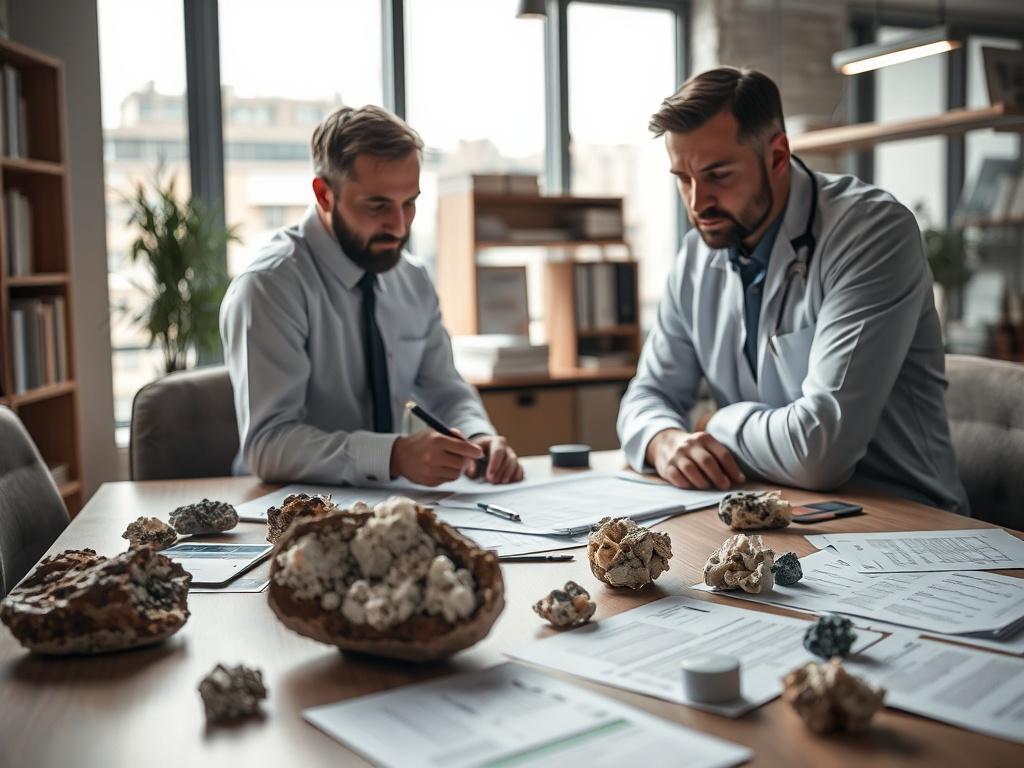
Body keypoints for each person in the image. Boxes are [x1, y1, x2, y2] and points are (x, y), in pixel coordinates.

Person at [617, 66, 968, 514]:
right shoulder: (697, 255)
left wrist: (714, 423)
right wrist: (664, 440)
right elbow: (647, 396)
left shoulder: (871, 232)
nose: (697, 202)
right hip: (774, 508)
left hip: (904, 520)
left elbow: (820, 451)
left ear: (778, 156)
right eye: (683, 179)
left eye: (718, 175)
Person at [220, 105, 523, 487]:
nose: (398, 227)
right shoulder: (270, 285)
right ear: (324, 194)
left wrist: (477, 436)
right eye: (377, 205)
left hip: (387, 503)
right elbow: (268, 444)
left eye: (409, 203)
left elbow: (445, 389)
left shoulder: (410, 279)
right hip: (284, 513)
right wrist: (393, 455)